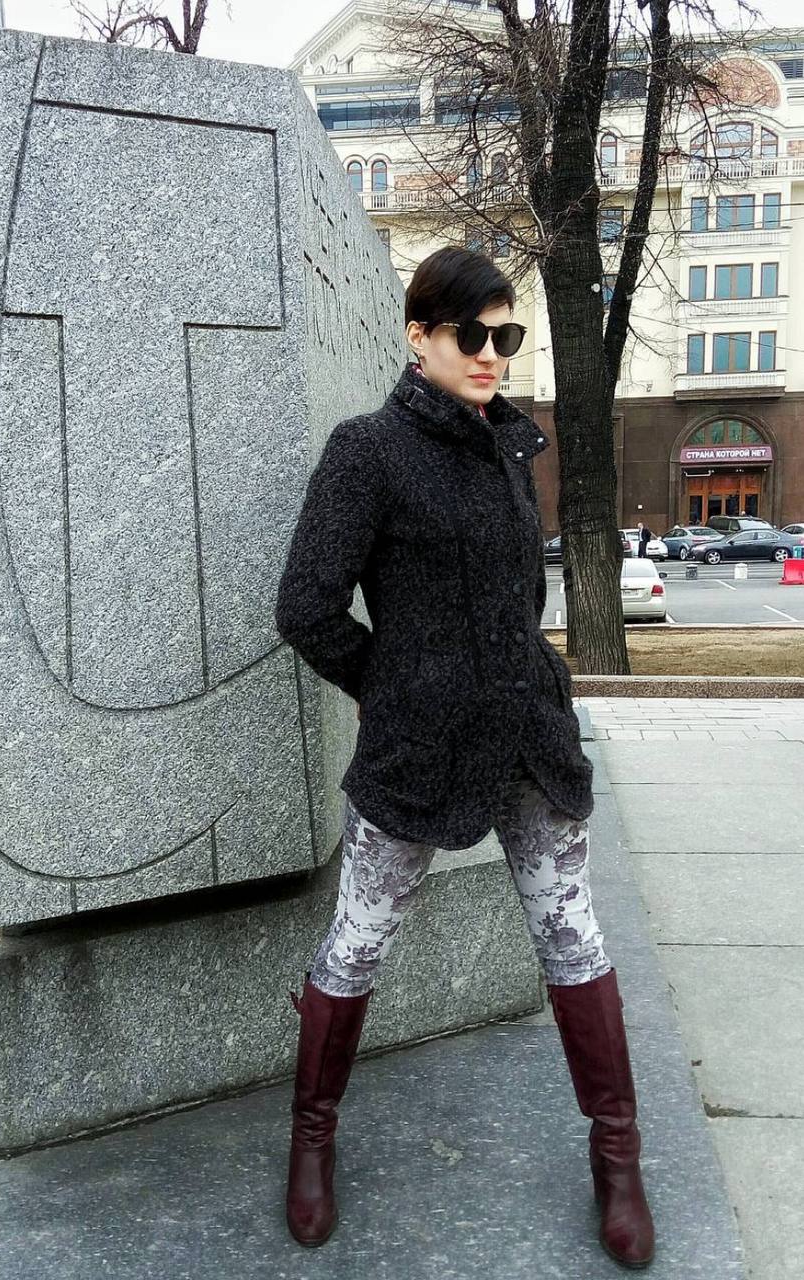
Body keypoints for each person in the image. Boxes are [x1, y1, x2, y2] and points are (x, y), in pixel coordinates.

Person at [275, 247, 654, 1268]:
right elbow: (305, 606)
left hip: (528, 735)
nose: (491, 353)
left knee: (572, 936)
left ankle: (617, 1158)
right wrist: (393, 686)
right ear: (418, 335)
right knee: (357, 942)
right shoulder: (367, 451)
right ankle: (310, 1141)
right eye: (469, 334)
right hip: (417, 748)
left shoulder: (507, 446)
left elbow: (516, 600)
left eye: (505, 335)